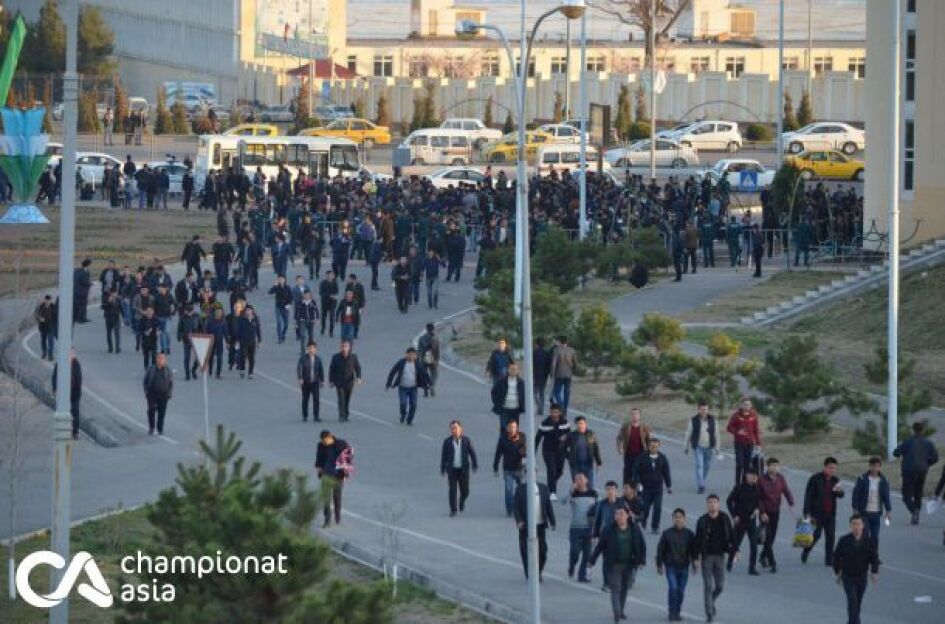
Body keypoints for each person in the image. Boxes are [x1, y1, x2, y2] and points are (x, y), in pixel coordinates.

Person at [588, 506, 646, 623]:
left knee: (625, 588)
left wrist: (641, 561)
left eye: (621, 514)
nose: (618, 516)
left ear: (628, 515)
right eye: (616, 514)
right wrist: (592, 560)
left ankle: (621, 609)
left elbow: (642, 545)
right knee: (615, 588)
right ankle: (617, 612)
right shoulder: (609, 529)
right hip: (613, 564)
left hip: (629, 564)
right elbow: (600, 546)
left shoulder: (634, 529)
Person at [694, 494, 735, 623]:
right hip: (706, 557)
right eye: (710, 502)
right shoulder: (702, 521)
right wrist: (696, 558)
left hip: (720, 556)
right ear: (707, 505)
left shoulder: (724, 518)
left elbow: (732, 535)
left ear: (718, 504)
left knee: (720, 586)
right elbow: (697, 540)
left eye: (714, 502)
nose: (712, 504)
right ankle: (709, 613)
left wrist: (736, 550)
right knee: (707, 585)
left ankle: (710, 601)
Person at [833, 514, 880, 624]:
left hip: (862, 577)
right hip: (848, 577)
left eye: (859, 524)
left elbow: (874, 558)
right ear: (850, 525)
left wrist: (874, 572)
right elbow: (836, 557)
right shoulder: (844, 540)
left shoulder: (869, 542)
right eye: (854, 524)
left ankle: (851, 621)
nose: (856, 527)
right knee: (852, 601)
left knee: (857, 603)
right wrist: (837, 572)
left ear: (863, 525)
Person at [892, 422, 939, 525]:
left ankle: (914, 511)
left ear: (913, 429)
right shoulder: (928, 443)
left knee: (906, 495)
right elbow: (935, 458)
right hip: (922, 471)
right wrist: (927, 464)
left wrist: (901, 452)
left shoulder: (907, 441)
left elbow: (895, 453)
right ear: (923, 430)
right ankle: (916, 513)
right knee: (918, 493)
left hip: (909, 471)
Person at [802, 456, 845, 566]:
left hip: (830, 513)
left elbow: (841, 495)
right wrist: (806, 512)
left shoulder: (836, 480)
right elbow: (808, 496)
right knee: (816, 535)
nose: (832, 470)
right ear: (825, 467)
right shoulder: (815, 479)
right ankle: (806, 550)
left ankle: (829, 559)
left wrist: (839, 491)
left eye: (834, 468)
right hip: (816, 513)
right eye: (830, 468)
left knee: (830, 536)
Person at [656, 509, 698, 622]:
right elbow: (660, 550)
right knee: (673, 588)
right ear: (673, 519)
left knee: (680, 591)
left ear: (684, 519)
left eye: (680, 517)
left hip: (684, 567)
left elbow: (694, 550)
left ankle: (677, 612)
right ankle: (671, 612)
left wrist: (695, 563)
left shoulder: (689, 534)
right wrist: (659, 564)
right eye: (675, 517)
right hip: (671, 566)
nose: (678, 519)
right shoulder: (667, 533)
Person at [513, 479, 555, 580]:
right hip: (526, 526)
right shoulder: (520, 489)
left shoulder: (544, 488)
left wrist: (552, 521)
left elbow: (548, 505)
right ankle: (530, 573)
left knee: (543, 551)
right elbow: (516, 506)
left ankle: (538, 571)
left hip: (540, 525)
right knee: (525, 551)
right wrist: (519, 521)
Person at [757, 457, 794, 573]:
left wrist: (791, 502)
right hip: (765, 512)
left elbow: (786, 491)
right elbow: (758, 498)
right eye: (772, 466)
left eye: (777, 466)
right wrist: (762, 512)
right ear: (767, 467)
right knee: (768, 537)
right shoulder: (761, 480)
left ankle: (763, 555)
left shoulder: (780, 478)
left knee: (772, 537)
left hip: (775, 511)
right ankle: (772, 562)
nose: (775, 468)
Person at [633, 437, 672, 534]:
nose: (653, 448)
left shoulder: (662, 458)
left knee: (658, 507)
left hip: (658, 488)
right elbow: (636, 471)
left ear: (658, 446)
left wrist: (669, 486)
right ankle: (643, 522)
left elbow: (666, 472)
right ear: (648, 446)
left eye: (655, 446)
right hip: (645, 488)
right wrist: (638, 483)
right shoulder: (642, 457)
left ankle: (655, 527)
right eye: (651, 446)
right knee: (645, 507)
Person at [851, 457, 893, 547]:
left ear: (880, 467)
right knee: (865, 533)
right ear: (869, 466)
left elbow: (886, 496)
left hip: (876, 512)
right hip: (864, 512)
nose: (875, 468)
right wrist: (855, 508)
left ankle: (873, 553)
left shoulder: (884, 480)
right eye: (873, 466)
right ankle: (863, 553)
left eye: (877, 466)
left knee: (875, 536)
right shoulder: (862, 479)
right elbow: (856, 494)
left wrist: (888, 510)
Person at [725, 469, 761, 575]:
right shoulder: (739, 488)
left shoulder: (757, 488)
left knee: (754, 545)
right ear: (746, 476)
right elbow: (729, 501)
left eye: (755, 476)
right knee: (736, 543)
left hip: (752, 520)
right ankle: (730, 562)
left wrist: (757, 509)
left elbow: (758, 502)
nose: (754, 477)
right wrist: (734, 515)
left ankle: (752, 568)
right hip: (740, 520)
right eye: (752, 475)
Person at [440, 420, 478, 516]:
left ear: (460, 429)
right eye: (452, 428)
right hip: (452, 470)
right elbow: (444, 456)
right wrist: (443, 468)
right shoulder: (447, 442)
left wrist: (474, 465)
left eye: (456, 428)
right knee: (452, 490)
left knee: (465, 490)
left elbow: (472, 453)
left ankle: (462, 500)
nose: (454, 430)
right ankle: (453, 509)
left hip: (463, 469)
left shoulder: (466, 440)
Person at [385, 347, 430, 425]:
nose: (411, 356)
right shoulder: (401, 362)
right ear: (406, 355)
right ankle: (403, 415)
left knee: (414, 405)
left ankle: (409, 420)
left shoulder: (418, 364)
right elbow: (392, 372)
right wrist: (388, 384)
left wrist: (430, 384)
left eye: (413, 355)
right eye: (409, 354)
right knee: (403, 403)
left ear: (415, 356)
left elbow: (425, 374)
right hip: (403, 388)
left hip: (413, 388)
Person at [315, 430, 351, 527]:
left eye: (325, 440)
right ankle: (327, 519)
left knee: (337, 498)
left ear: (330, 437)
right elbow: (318, 458)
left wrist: (346, 470)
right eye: (322, 441)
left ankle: (337, 518)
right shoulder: (321, 445)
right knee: (326, 498)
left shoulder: (342, 444)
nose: (324, 442)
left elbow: (349, 457)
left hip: (338, 475)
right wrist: (318, 467)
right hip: (326, 475)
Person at [567, 472, 598, 583]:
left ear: (586, 480)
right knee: (575, 551)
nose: (579, 481)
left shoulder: (593, 493)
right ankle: (572, 564)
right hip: (575, 527)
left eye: (581, 479)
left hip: (588, 528)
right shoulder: (573, 493)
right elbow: (563, 501)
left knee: (587, 554)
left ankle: (582, 575)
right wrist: (570, 491)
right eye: (576, 480)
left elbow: (597, 508)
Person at [535, 403, 570, 499]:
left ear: (559, 413)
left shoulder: (565, 423)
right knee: (551, 470)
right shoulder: (544, 423)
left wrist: (565, 437)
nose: (554, 414)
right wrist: (533, 452)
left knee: (559, 471)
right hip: (548, 451)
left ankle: (551, 484)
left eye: (555, 412)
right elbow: (537, 439)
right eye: (552, 412)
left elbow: (569, 435)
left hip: (561, 451)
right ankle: (552, 492)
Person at [684, 401, 719, 494]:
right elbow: (688, 434)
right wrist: (686, 446)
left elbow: (717, 434)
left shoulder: (713, 420)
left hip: (709, 447)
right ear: (698, 410)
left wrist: (717, 447)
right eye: (702, 409)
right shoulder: (693, 420)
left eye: (706, 409)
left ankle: (701, 480)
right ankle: (701, 485)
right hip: (698, 446)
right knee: (699, 466)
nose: (704, 411)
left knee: (707, 466)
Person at [726, 397, 762, 486]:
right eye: (745, 404)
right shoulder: (736, 415)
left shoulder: (754, 415)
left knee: (747, 465)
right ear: (741, 405)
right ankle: (737, 484)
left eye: (748, 404)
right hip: (739, 443)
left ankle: (744, 484)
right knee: (740, 463)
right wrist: (737, 432)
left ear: (751, 405)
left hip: (750, 443)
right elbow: (729, 428)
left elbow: (756, 430)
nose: (747, 406)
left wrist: (758, 444)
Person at [494, 420, 527, 517]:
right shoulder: (503, 438)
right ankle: (510, 510)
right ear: (507, 428)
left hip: (520, 468)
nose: (512, 429)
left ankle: (522, 508)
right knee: (509, 491)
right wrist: (495, 467)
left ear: (517, 428)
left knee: (522, 490)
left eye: (514, 427)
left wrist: (525, 457)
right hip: (508, 469)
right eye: (510, 427)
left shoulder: (522, 437)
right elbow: (498, 453)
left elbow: (525, 452)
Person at [51, 348, 82, 439]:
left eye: (73, 353)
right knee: (63, 412)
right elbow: (55, 376)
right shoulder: (60, 363)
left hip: (74, 393)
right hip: (63, 392)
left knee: (75, 412)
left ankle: (75, 432)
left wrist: (77, 391)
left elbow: (79, 378)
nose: (72, 355)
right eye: (70, 353)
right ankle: (63, 430)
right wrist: (55, 389)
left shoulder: (76, 364)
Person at [617, 408, 651, 489]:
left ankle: (639, 490)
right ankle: (626, 489)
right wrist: (620, 448)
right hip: (629, 454)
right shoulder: (626, 427)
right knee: (628, 472)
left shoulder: (644, 427)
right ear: (630, 416)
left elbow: (648, 440)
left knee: (639, 473)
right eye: (633, 414)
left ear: (639, 416)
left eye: (636, 414)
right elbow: (619, 438)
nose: (634, 416)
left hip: (640, 455)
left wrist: (649, 453)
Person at [564, 416, 602, 489]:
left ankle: (589, 496)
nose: (579, 426)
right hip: (575, 465)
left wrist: (598, 462)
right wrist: (569, 457)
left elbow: (596, 448)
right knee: (577, 486)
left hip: (588, 464)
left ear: (585, 424)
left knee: (589, 485)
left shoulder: (591, 434)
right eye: (577, 424)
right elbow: (563, 447)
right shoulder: (571, 435)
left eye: (581, 423)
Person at [328, 339, 362, 422]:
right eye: (343, 346)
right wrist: (331, 381)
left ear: (349, 347)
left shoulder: (353, 357)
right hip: (339, 382)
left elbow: (358, 367)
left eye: (346, 346)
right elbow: (332, 369)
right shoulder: (336, 357)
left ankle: (346, 414)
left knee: (347, 399)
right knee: (341, 399)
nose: (345, 348)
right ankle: (341, 415)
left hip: (349, 382)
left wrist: (358, 378)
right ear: (340, 347)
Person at [490, 362, 525, 436]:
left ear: (518, 371)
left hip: (516, 409)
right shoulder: (501, 381)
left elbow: (524, 394)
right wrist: (497, 402)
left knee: (514, 428)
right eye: (512, 369)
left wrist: (523, 404)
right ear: (508, 370)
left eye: (515, 369)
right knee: (504, 427)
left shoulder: (521, 382)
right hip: (504, 409)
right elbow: (494, 392)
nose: (513, 371)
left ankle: (513, 442)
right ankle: (503, 441)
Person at [143, 352, 173, 435]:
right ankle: (151, 427)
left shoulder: (167, 370)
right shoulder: (151, 369)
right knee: (151, 410)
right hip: (152, 393)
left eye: (162, 358)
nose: (160, 360)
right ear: (156, 359)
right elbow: (145, 381)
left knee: (162, 412)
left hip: (163, 394)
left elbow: (170, 383)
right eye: (158, 358)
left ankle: (160, 428)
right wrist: (147, 392)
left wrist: (169, 393)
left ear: (165, 360)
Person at [297, 340, 325, 422]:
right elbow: (299, 369)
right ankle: (305, 415)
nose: (311, 350)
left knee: (316, 399)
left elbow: (321, 370)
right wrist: (300, 378)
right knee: (305, 399)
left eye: (313, 348)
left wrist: (322, 381)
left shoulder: (318, 359)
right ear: (307, 349)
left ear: (315, 349)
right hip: (305, 382)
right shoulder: (302, 359)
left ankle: (316, 416)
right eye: (310, 348)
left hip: (315, 382)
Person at [550, 336, 577, 415]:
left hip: (559, 374)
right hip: (569, 374)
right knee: (567, 393)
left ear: (559, 341)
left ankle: (561, 405)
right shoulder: (572, 350)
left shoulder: (556, 350)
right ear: (567, 341)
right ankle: (565, 409)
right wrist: (573, 369)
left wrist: (552, 373)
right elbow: (575, 363)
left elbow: (554, 363)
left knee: (556, 392)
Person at [236, 305, 262, 379]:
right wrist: (237, 340)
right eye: (247, 310)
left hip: (252, 341)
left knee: (252, 357)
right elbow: (238, 330)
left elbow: (258, 330)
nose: (248, 312)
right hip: (243, 340)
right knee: (243, 355)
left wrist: (259, 340)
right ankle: (242, 369)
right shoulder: (242, 319)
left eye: (250, 310)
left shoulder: (255, 319)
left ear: (252, 311)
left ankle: (250, 373)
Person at [176, 303, 201, 380]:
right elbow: (179, 328)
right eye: (188, 311)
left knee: (198, 357)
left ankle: (193, 370)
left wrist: (203, 336)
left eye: (191, 311)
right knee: (187, 358)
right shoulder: (182, 317)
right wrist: (179, 337)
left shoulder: (197, 316)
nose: (189, 313)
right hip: (186, 339)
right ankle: (187, 375)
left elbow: (201, 327)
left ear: (193, 311)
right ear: (185, 311)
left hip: (196, 339)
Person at [416, 323, 440, 397]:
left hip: (424, 358)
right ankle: (432, 385)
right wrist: (437, 360)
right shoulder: (436, 338)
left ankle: (425, 390)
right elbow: (437, 350)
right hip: (433, 357)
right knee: (434, 373)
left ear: (426, 329)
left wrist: (418, 359)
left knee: (423, 374)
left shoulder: (422, 338)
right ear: (433, 329)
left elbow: (419, 350)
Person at [268, 274, 293, 344]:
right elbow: (270, 292)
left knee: (286, 324)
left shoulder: (288, 287)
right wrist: (275, 285)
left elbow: (291, 297)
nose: (280, 280)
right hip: (278, 307)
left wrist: (289, 304)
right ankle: (280, 338)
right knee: (279, 322)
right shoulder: (276, 287)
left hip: (285, 307)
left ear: (284, 280)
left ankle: (283, 334)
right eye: (279, 279)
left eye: (282, 279)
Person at [532, 337, 553, 415]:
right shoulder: (547, 353)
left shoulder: (534, 353)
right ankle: (541, 409)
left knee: (534, 393)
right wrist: (548, 375)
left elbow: (531, 364)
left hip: (535, 375)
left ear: (537, 344)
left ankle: (539, 405)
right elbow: (549, 365)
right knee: (542, 393)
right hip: (544, 376)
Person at [35, 295, 56, 360]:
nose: (47, 301)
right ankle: (44, 352)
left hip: (50, 327)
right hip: (43, 327)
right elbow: (36, 315)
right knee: (43, 341)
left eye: (48, 300)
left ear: (50, 300)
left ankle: (50, 355)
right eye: (46, 300)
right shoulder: (41, 307)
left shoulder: (53, 307)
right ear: (44, 300)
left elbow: (55, 317)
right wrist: (39, 319)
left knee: (50, 342)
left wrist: (54, 324)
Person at [102, 288, 122, 354]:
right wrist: (109, 302)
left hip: (116, 318)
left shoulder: (118, 299)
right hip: (109, 318)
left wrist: (124, 317)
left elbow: (121, 308)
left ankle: (117, 348)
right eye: (113, 293)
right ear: (110, 293)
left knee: (117, 333)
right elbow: (103, 307)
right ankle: (110, 348)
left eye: (115, 293)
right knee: (109, 333)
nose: (114, 294)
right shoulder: (106, 298)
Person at [319, 270, 339, 337]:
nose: (330, 276)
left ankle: (331, 331)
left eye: (332, 275)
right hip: (324, 302)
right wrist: (329, 295)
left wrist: (334, 295)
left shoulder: (335, 283)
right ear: (326, 275)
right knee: (323, 317)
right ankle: (323, 328)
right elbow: (321, 293)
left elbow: (336, 291)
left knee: (332, 317)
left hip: (332, 303)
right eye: (329, 275)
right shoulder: (322, 283)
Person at [73, 258, 92, 323]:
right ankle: (82, 318)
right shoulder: (85, 272)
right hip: (83, 291)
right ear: (88, 265)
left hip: (76, 290)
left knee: (77, 305)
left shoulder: (76, 271)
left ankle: (76, 318)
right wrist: (91, 283)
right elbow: (85, 282)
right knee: (83, 305)